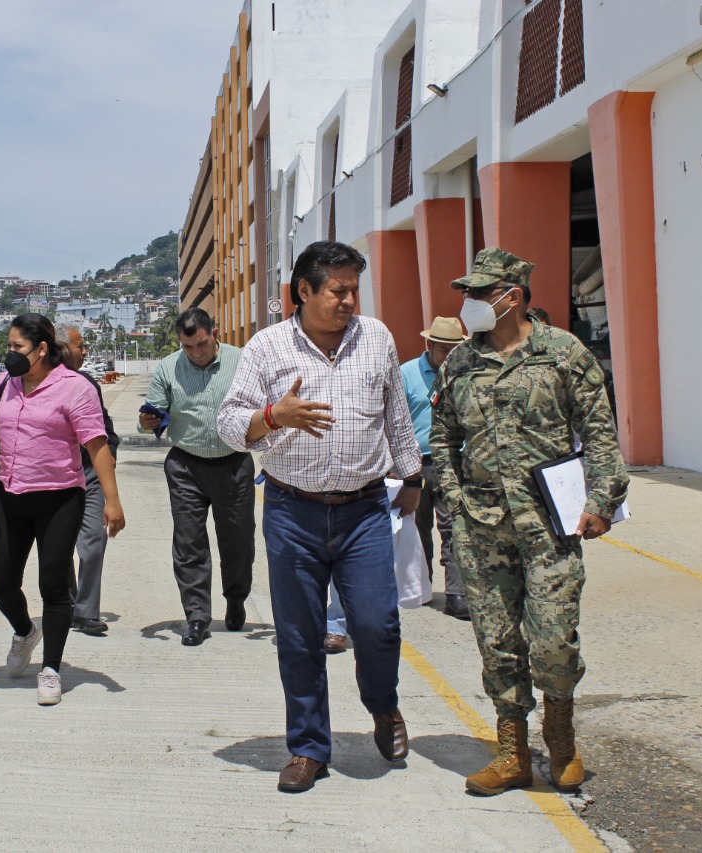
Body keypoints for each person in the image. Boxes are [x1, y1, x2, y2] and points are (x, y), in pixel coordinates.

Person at [216, 241, 424, 793]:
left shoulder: (376, 338)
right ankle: (308, 748)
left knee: (377, 625)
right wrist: (272, 415)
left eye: (355, 288)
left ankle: (384, 707)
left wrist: (413, 476)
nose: (350, 300)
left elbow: (396, 414)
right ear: (303, 291)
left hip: (363, 512)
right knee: (300, 636)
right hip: (291, 512)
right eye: (338, 290)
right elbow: (229, 424)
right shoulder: (265, 349)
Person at [430, 247, 628, 796]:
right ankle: (513, 753)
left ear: (511, 297)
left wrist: (601, 500)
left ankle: (560, 741)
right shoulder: (460, 362)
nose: (467, 304)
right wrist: (452, 496)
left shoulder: (562, 352)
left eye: (477, 294)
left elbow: (600, 430)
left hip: (550, 525)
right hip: (481, 525)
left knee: (553, 641)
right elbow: (443, 436)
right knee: (497, 643)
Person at [0, 313, 125, 705]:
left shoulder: (75, 388)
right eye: (8, 346)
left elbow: (97, 445)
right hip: (12, 494)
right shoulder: (5, 384)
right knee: (2, 582)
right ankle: (25, 631)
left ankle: (51, 669)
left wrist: (112, 500)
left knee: (54, 586)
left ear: (41, 349)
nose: (10, 355)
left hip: (60, 498)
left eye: (17, 347)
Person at [138, 307, 253, 647]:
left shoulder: (242, 361)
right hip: (186, 465)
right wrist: (148, 421)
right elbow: (154, 412)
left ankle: (236, 599)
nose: (195, 353)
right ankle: (197, 616)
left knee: (238, 542)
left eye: (201, 344)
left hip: (234, 463)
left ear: (214, 333)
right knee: (189, 543)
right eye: (188, 347)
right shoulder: (168, 367)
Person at [401, 316, 470, 620]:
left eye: (455, 349)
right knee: (418, 529)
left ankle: (457, 594)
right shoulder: (406, 374)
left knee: (456, 527)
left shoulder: (466, 373)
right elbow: (396, 420)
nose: (450, 356)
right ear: (429, 345)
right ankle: (423, 585)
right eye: (444, 350)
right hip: (417, 463)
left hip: (455, 461)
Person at [58, 324, 120, 636]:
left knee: (93, 542)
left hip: (91, 471)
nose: (85, 352)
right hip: (58, 475)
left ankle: (85, 612)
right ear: (58, 347)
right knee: (61, 544)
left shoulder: (86, 383)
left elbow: (105, 427)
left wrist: (111, 454)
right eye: (79, 346)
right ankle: (69, 606)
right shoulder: (36, 383)